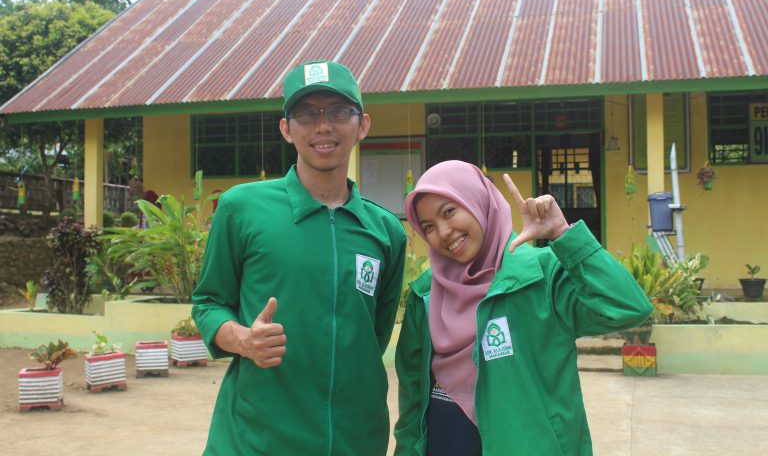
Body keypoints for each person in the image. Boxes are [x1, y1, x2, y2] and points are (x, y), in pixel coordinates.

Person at [192, 60, 407, 455]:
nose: (323, 126)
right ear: (286, 129)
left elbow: (372, 336)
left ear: (362, 125)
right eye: (307, 114)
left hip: (355, 439)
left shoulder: (386, 230)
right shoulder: (242, 208)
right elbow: (208, 302)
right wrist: (244, 340)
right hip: (255, 440)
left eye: (339, 112)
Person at [394, 160, 652, 456]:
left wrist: (563, 235)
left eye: (449, 212)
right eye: (428, 226)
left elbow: (628, 307)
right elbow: (412, 401)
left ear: (479, 202)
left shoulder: (543, 275)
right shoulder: (426, 295)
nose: (443, 232)